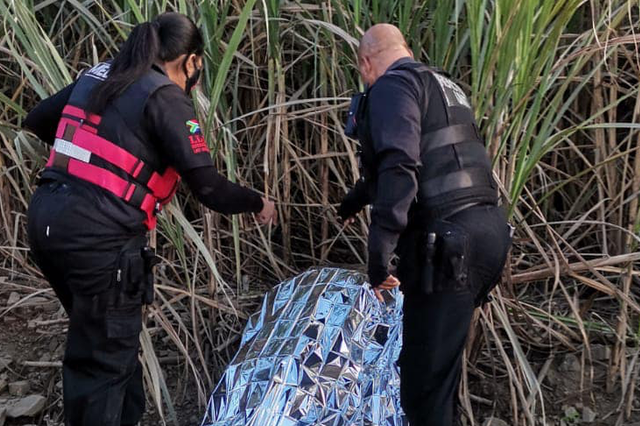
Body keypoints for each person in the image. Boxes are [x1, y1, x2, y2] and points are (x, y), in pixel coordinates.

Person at [23, 12, 277, 426]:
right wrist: (257, 203)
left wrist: (93, 158)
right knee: (102, 362)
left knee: (111, 349)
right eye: (198, 67)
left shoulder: (100, 76)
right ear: (190, 61)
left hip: (48, 223)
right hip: (100, 241)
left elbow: (37, 119)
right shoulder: (165, 96)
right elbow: (209, 187)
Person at [338, 24, 512, 426]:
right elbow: (435, 158)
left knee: (422, 392)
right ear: (407, 50)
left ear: (366, 63)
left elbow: (401, 163)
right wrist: (354, 200)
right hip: (487, 233)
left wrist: (379, 255)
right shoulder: (442, 85)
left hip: (448, 246)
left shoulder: (388, 88)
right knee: (436, 378)